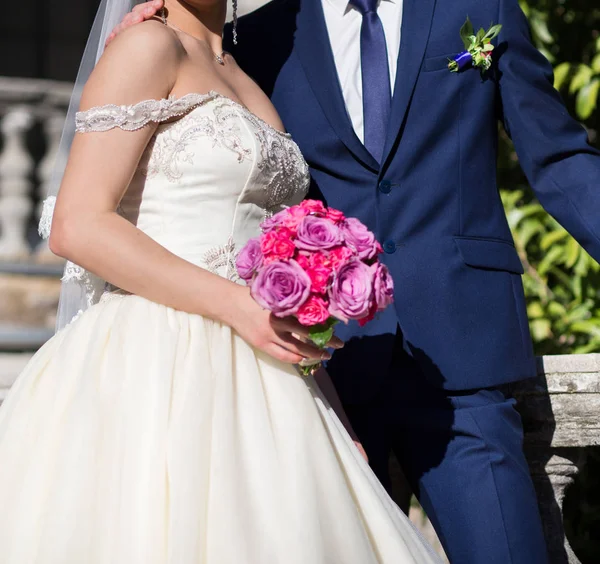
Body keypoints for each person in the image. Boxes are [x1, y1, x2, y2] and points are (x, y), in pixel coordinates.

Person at [118, 0, 600, 562]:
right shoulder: (258, 36)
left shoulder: (480, 7)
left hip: (464, 358)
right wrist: (147, 38)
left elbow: (559, 156)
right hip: (319, 370)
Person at [0, 0, 443, 562]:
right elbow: (78, 225)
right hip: (156, 363)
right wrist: (237, 307)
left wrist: (333, 411)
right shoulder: (146, 46)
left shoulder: (248, 72)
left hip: (269, 372)